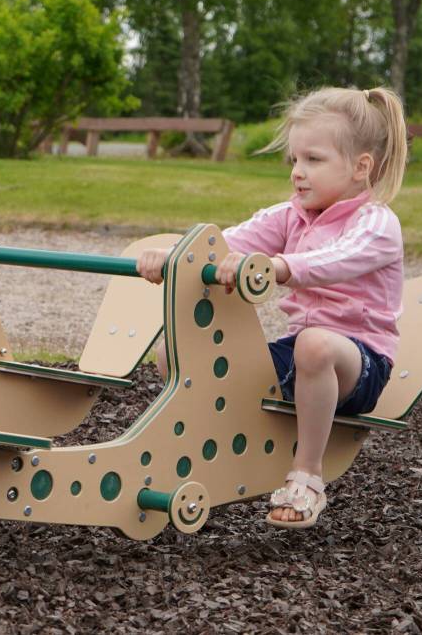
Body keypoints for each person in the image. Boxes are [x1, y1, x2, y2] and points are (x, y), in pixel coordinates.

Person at [136, 86, 407, 529]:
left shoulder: (376, 223)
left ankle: (308, 475)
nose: (298, 172)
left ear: (362, 168)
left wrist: (279, 266)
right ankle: (208, 448)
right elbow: (223, 245)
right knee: (176, 351)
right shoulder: (290, 214)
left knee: (315, 345)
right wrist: (171, 255)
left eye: (314, 160)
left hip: (358, 364)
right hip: (298, 353)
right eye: (295, 160)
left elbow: (336, 261)